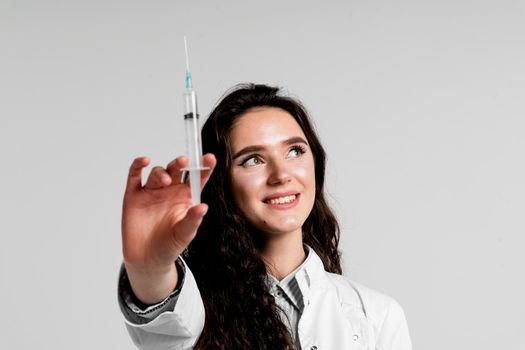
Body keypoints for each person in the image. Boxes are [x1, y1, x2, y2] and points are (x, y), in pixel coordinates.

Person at [118, 84, 412, 350]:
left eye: (295, 151)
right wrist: (151, 265)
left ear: (315, 166)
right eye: (253, 160)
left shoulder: (377, 315)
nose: (281, 174)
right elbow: (167, 324)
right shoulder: (198, 309)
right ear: (221, 183)